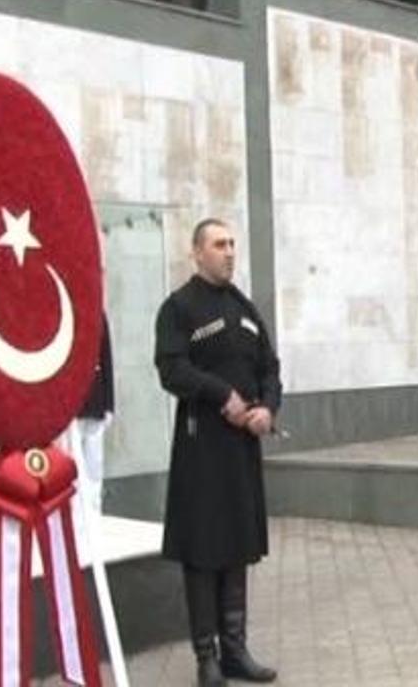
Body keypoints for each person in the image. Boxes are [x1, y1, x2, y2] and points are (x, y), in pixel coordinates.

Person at [154, 218, 280, 686]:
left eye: (232, 243)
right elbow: (171, 369)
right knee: (204, 550)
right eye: (219, 244)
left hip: (242, 449)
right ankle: (206, 658)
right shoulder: (178, 308)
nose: (229, 252)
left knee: (237, 546)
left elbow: (270, 365)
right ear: (197, 253)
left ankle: (235, 650)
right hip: (201, 446)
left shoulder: (244, 306)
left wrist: (267, 406)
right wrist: (220, 395)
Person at [71, 316, 114, 513]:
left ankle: (94, 507)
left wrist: (109, 404)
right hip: (72, 407)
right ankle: (77, 510)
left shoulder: (98, 315)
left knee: (94, 465)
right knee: (74, 465)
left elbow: (106, 360)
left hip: (96, 401)